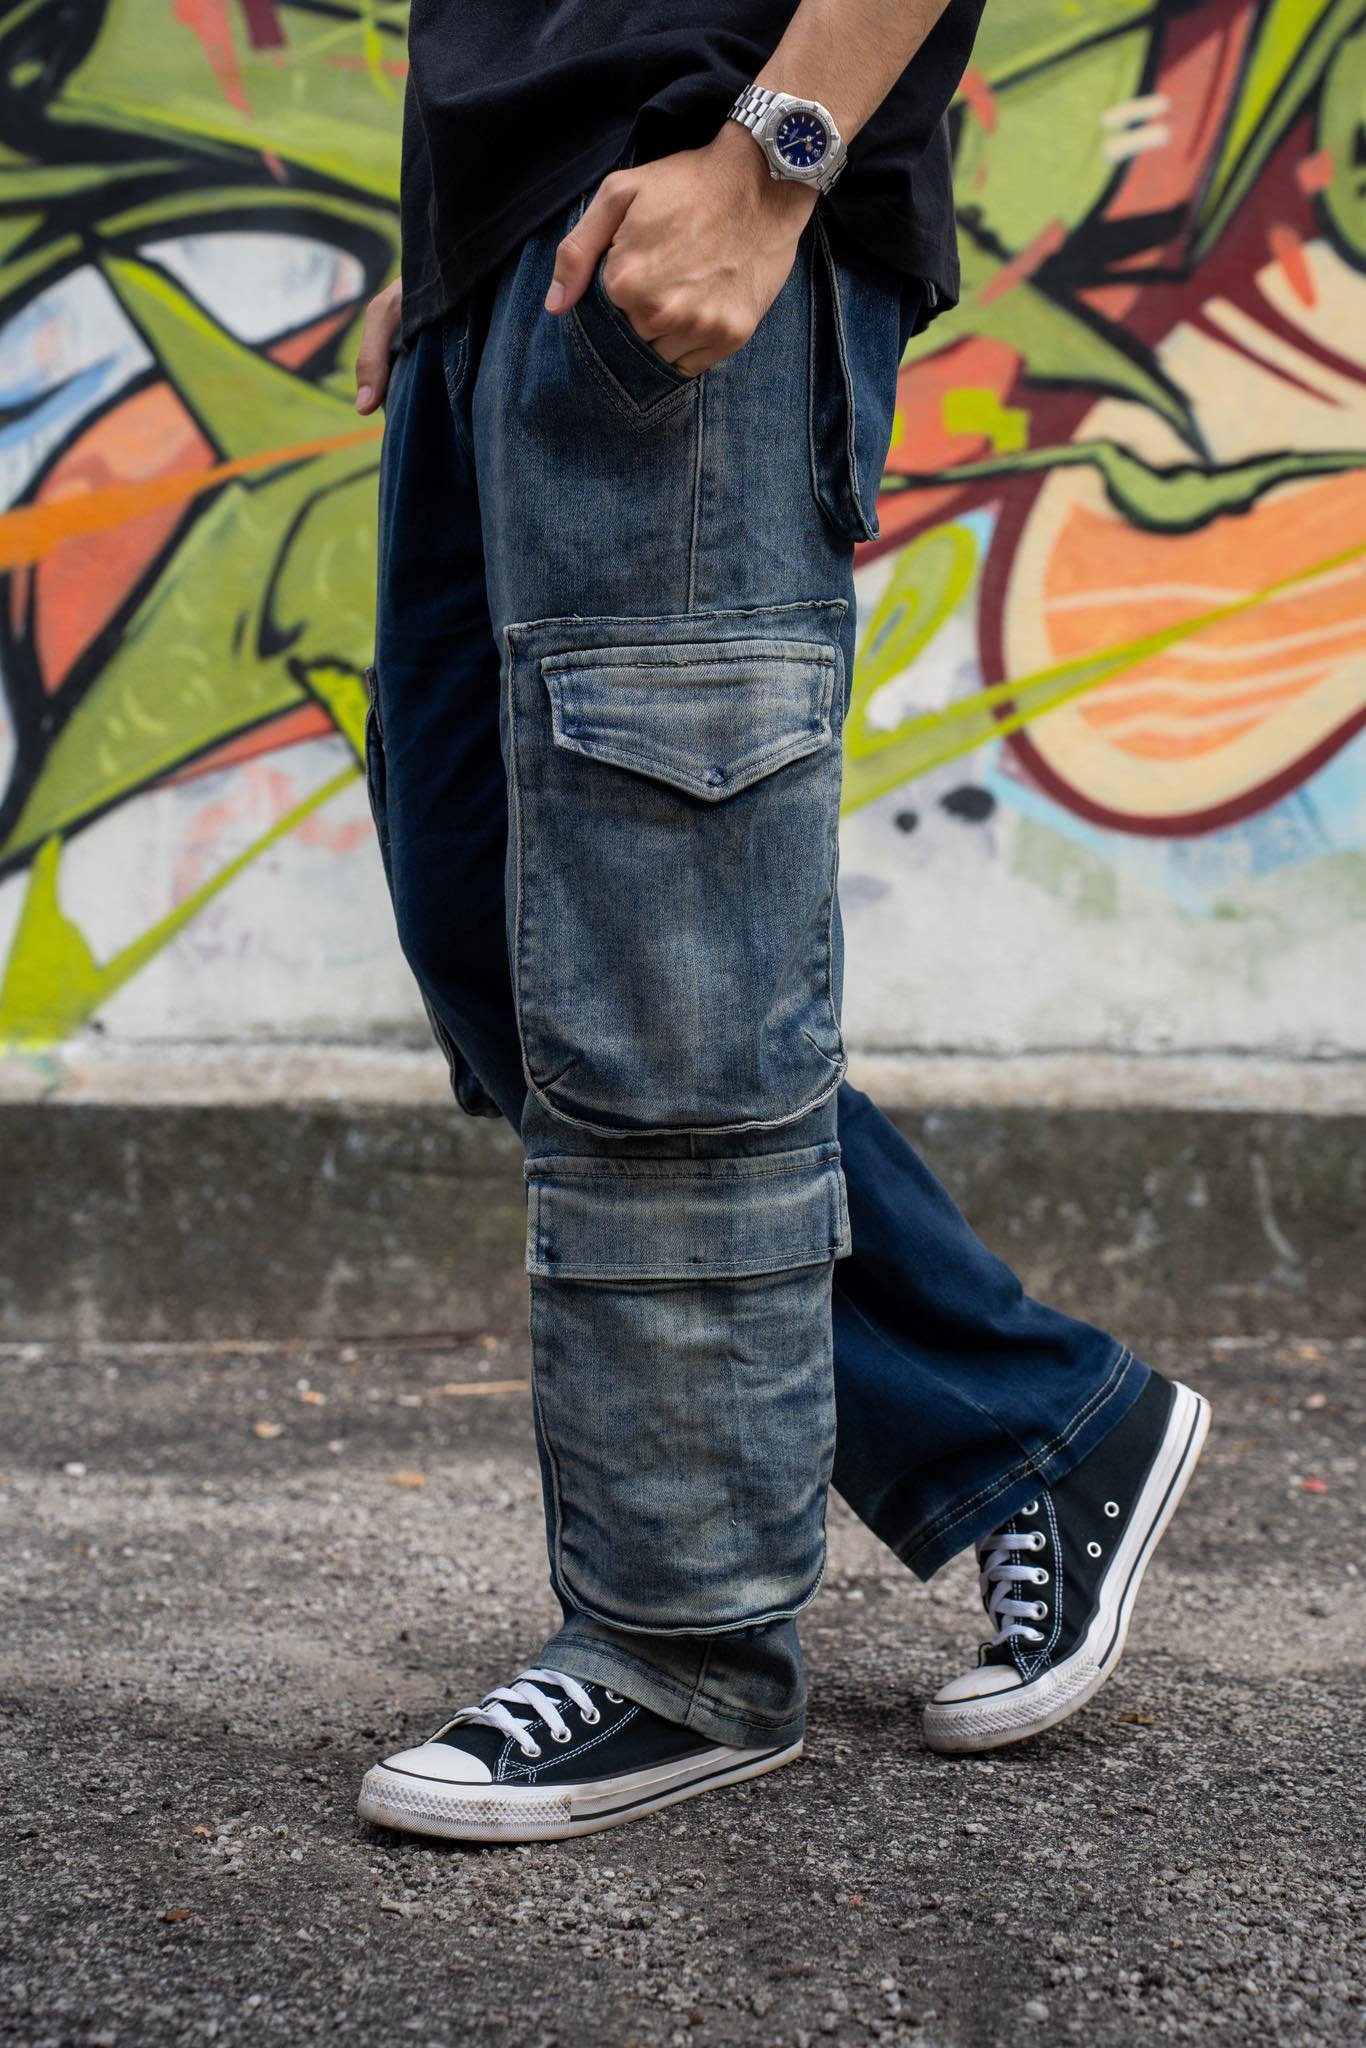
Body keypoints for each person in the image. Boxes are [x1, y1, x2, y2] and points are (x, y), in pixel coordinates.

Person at [350, 0, 1210, 1846]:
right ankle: (1036, 1427)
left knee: (658, 977)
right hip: (513, 246)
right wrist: (453, 237)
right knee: (497, 928)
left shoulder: (746, 165)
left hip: (701, 183)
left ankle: (682, 1651)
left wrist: (775, 152)